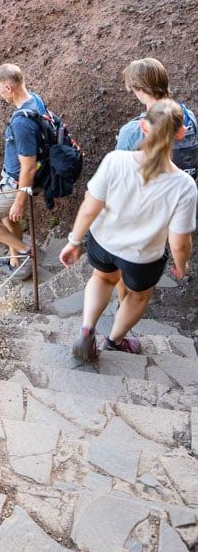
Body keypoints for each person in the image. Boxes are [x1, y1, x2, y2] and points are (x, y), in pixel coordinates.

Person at [61, 100, 196, 362]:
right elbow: (179, 241)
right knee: (138, 295)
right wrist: (182, 264)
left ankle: (87, 328)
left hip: (102, 243)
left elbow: (90, 207)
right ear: (181, 134)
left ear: (143, 126)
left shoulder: (115, 160)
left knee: (102, 278)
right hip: (142, 256)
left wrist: (74, 241)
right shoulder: (184, 186)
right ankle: (115, 340)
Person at [116, 57, 197, 287]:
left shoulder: (133, 130)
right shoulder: (187, 116)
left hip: (148, 205)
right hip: (182, 192)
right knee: (178, 236)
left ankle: (129, 299)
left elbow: (119, 175)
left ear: (140, 89)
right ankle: (181, 265)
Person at [0, 63, 46, 279]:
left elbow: (29, 166)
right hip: (19, 179)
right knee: (7, 217)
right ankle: (17, 262)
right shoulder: (35, 100)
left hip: (15, 184)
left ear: (8, 87)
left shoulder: (22, 122)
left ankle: (26, 253)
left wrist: (19, 201)